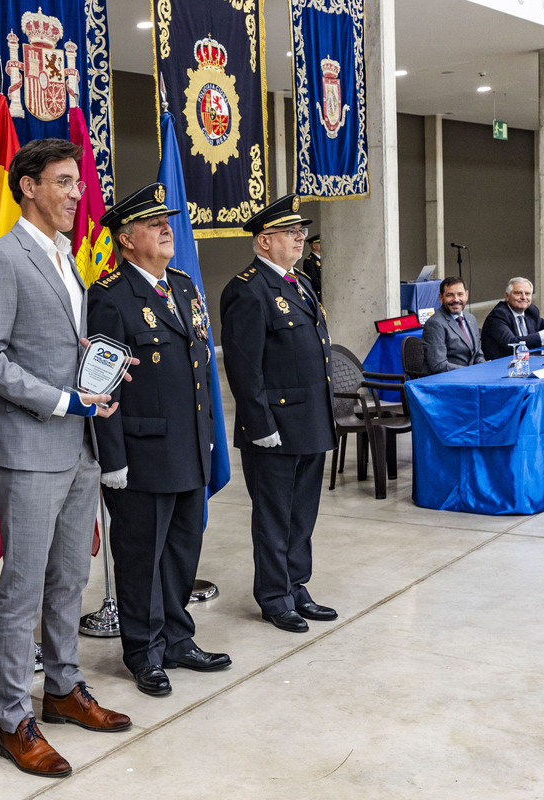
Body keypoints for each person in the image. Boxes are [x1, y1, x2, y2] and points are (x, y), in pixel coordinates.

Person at [0, 138, 131, 780]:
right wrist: (65, 398)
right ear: (28, 186)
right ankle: (13, 718)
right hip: (32, 449)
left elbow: (59, 342)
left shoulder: (67, 260)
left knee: (68, 581)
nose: (75, 194)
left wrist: (101, 370)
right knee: (23, 588)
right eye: (63, 182)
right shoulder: (2, 260)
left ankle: (62, 689)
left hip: (80, 444)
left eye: (77, 183)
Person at [88, 183, 226, 698]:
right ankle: (143, 652)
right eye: (153, 223)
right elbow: (99, 385)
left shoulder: (185, 287)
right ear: (126, 239)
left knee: (182, 552)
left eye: (167, 221)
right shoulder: (110, 298)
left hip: (188, 450)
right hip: (142, 456)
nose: (168, 229)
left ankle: (176, 638)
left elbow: (197, 375)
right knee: (142, 557)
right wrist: (112, 459)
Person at [219, 193, 338, 634]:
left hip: (310, 421)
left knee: (302, 513)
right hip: (275, 427)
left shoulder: (300, 283)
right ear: (264, 241)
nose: (301, 238)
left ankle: (296, 585)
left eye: (301, 232)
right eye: (291, 233)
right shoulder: (247, 290)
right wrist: (259, 423)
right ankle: (273, 595)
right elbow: (243, 367)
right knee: (274, 516)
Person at [480, 277, 544, 360]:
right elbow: (512, 343)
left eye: (527, 294)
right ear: (507, 297)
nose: (523, 297)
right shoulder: (498, 315)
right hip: (504, 366)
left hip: (529, 361)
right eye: (518, 293)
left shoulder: (531, 311)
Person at [422, 276, 486, 372]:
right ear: (441, 297)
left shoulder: (471, 318)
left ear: (466, 295)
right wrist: (470, 372)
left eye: (460, 294)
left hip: (470, 377)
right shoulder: (435, 324)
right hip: (446, 381)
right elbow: (439, 365)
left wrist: (484, 366)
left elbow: (477, 355)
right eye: (450, 295)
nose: (456, 299)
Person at [302, 233, 322, 303]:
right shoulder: (309, 261)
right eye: (320, 243)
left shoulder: (324, 260)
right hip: (319, 294)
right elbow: (313, 280)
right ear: (314, 246)